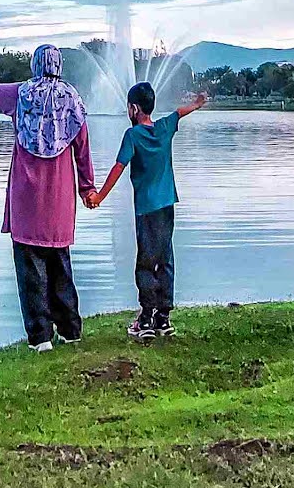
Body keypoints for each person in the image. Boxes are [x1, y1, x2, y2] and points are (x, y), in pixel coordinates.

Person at [0, 44, 95, 350]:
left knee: (30, 267)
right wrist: (87, 187)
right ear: (58, 65)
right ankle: (70, 330)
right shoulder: (72, 99)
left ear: (36, 64)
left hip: (27, 196)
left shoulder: (21, 94)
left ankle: (40, 337)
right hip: (60, 198)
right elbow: (83, 149)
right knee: (61, 264)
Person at [86, 82, 208, 339]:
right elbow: (178, 113)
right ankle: (163, 318)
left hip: (146, 209)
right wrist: (197, 104)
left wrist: (98, 197)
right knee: (165, 258)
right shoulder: (163, 128)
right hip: (166, 206)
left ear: (134, 108)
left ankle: (145, 319)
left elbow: (118, 168)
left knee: (145, 262)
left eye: (128, 107)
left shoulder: (133, 136)